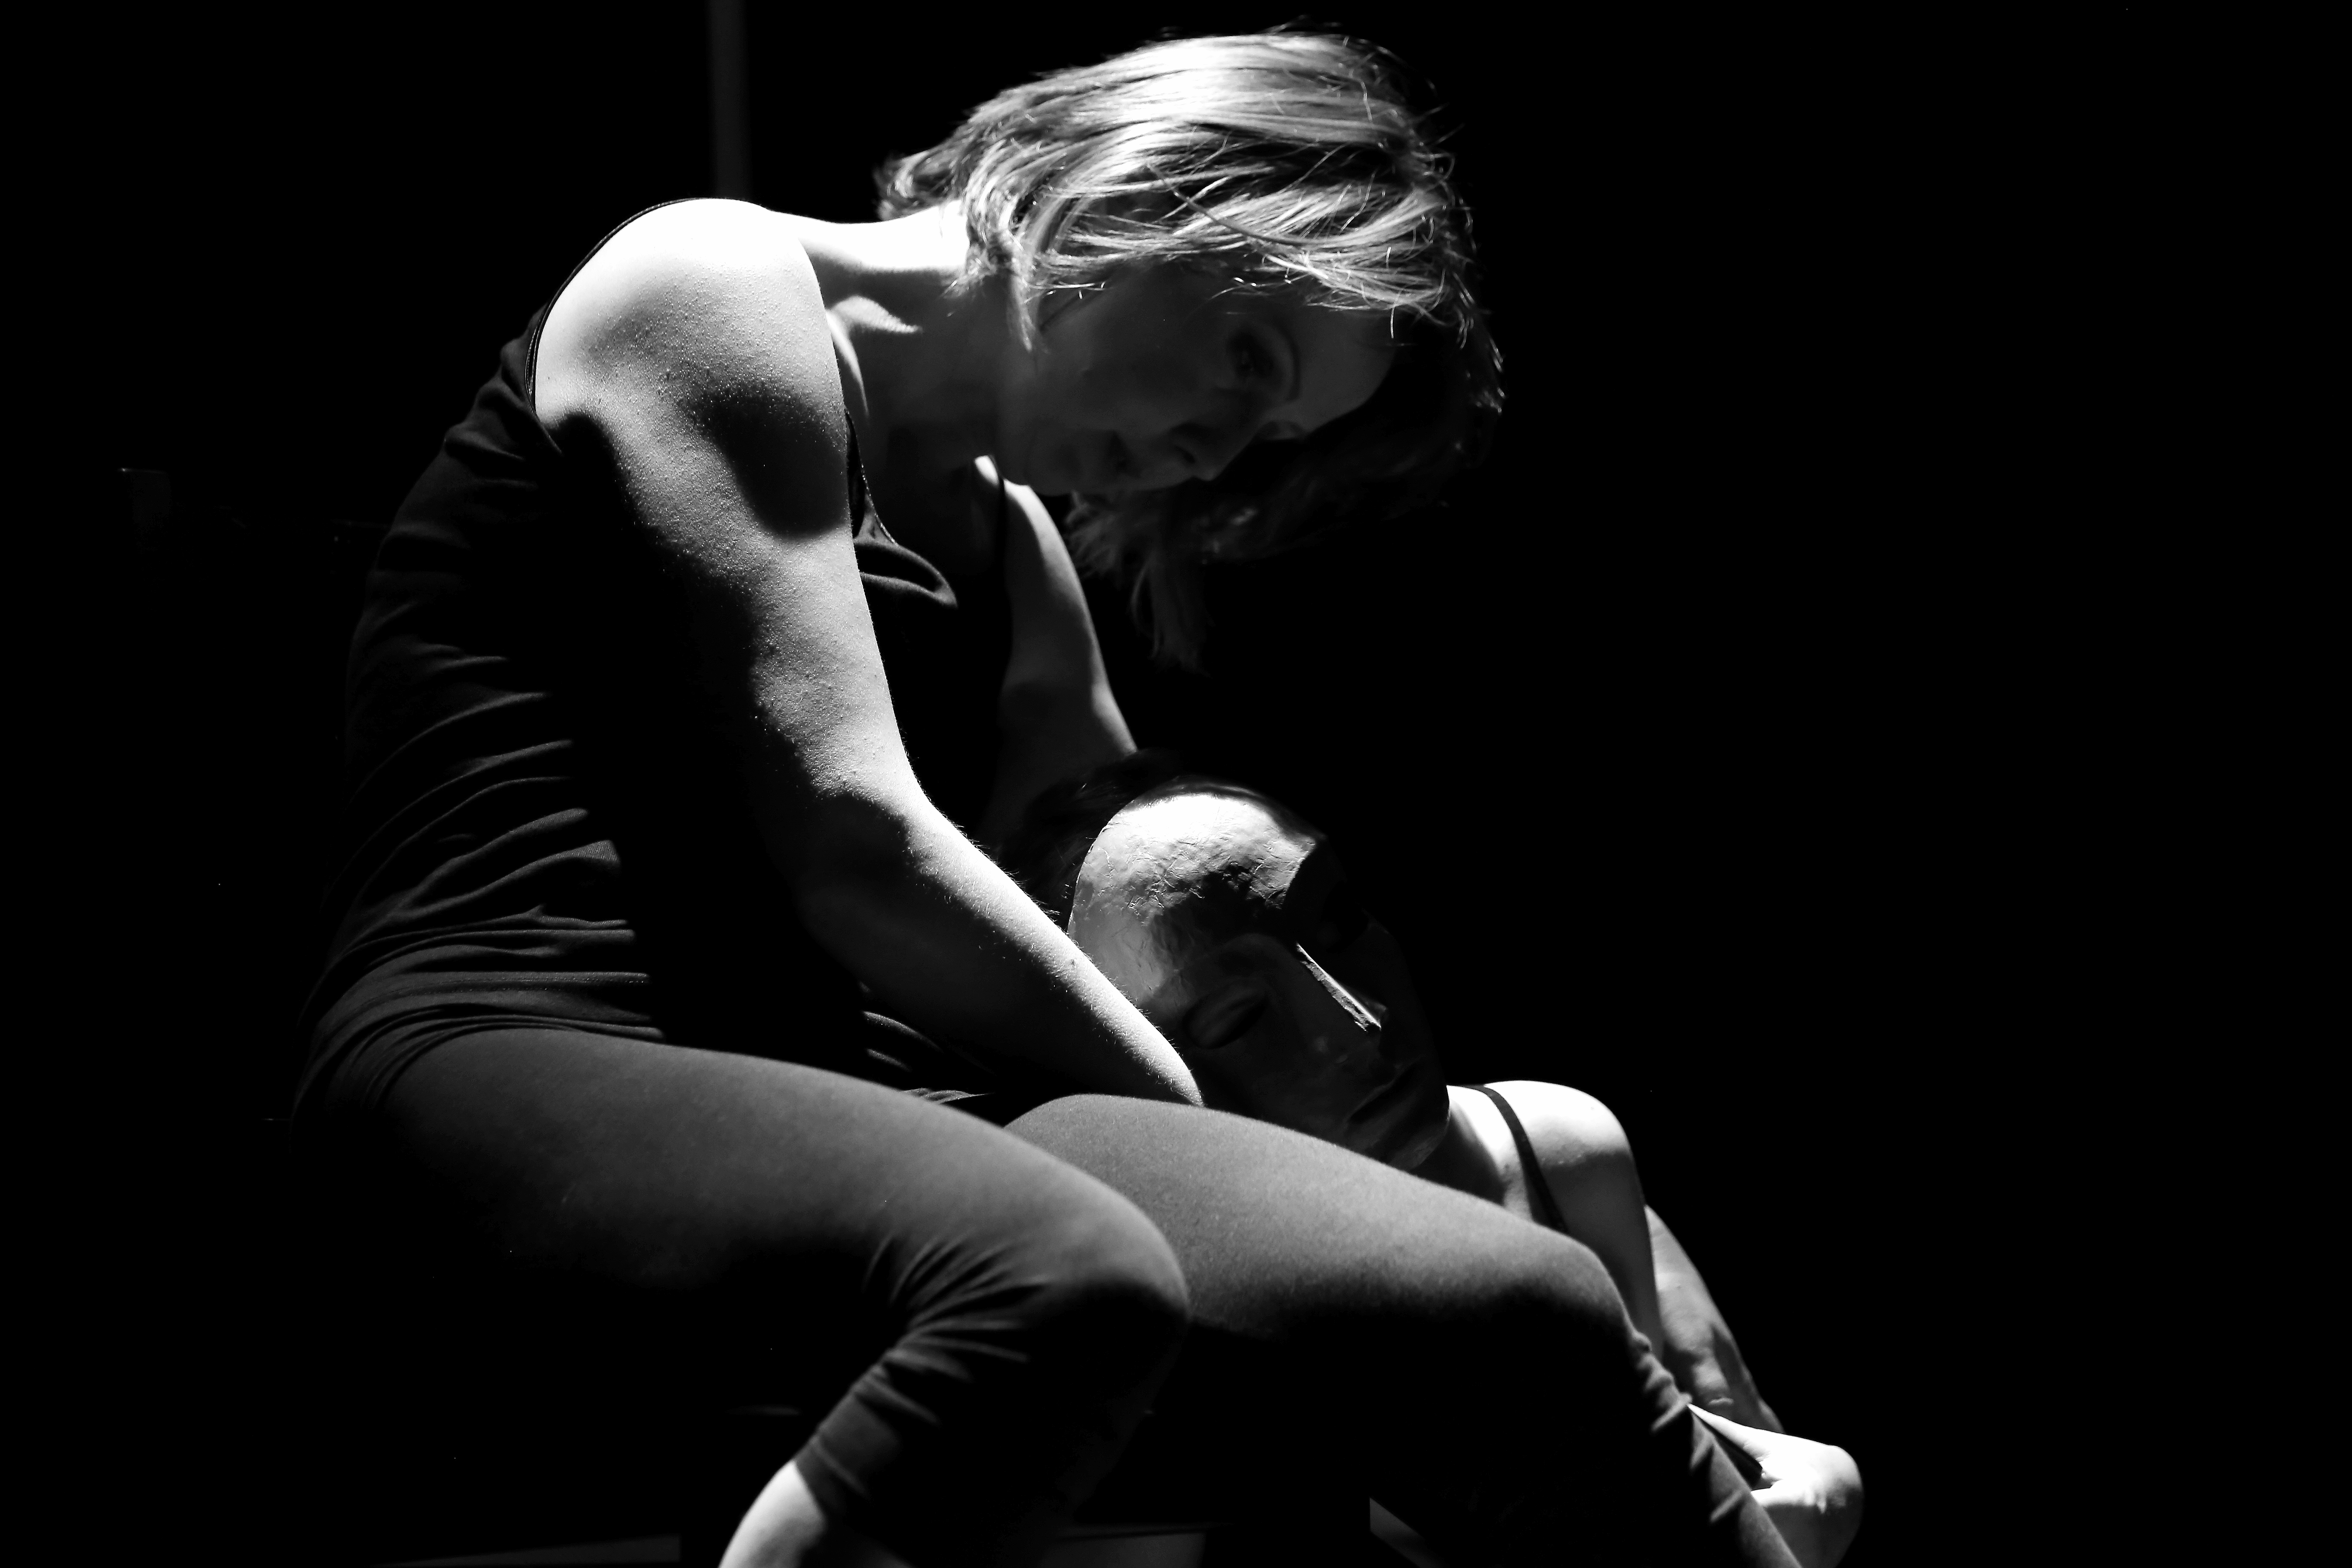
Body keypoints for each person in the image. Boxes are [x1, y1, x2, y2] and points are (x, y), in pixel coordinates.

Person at [295, 31, 1793, 1568]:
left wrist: (1551, 1161)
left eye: (1270, 438)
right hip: (524, 1036)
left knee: (1516, 1304)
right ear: (1156, 188)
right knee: (1066, 1275)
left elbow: (1144, 941)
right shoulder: (714, 285)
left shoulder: (1018, 556)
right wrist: (1231, 1142)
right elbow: (860, 847)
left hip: (891, 1106)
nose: (1218, 450)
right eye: (1251, 359)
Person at [1001, 753, 1865, 1567]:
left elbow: (1693, 1464)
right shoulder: (1165, 1311)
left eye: (1339, 920)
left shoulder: (1554, 1151)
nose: (1360, 1024)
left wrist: (1813, 1492)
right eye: (1240, 1018)